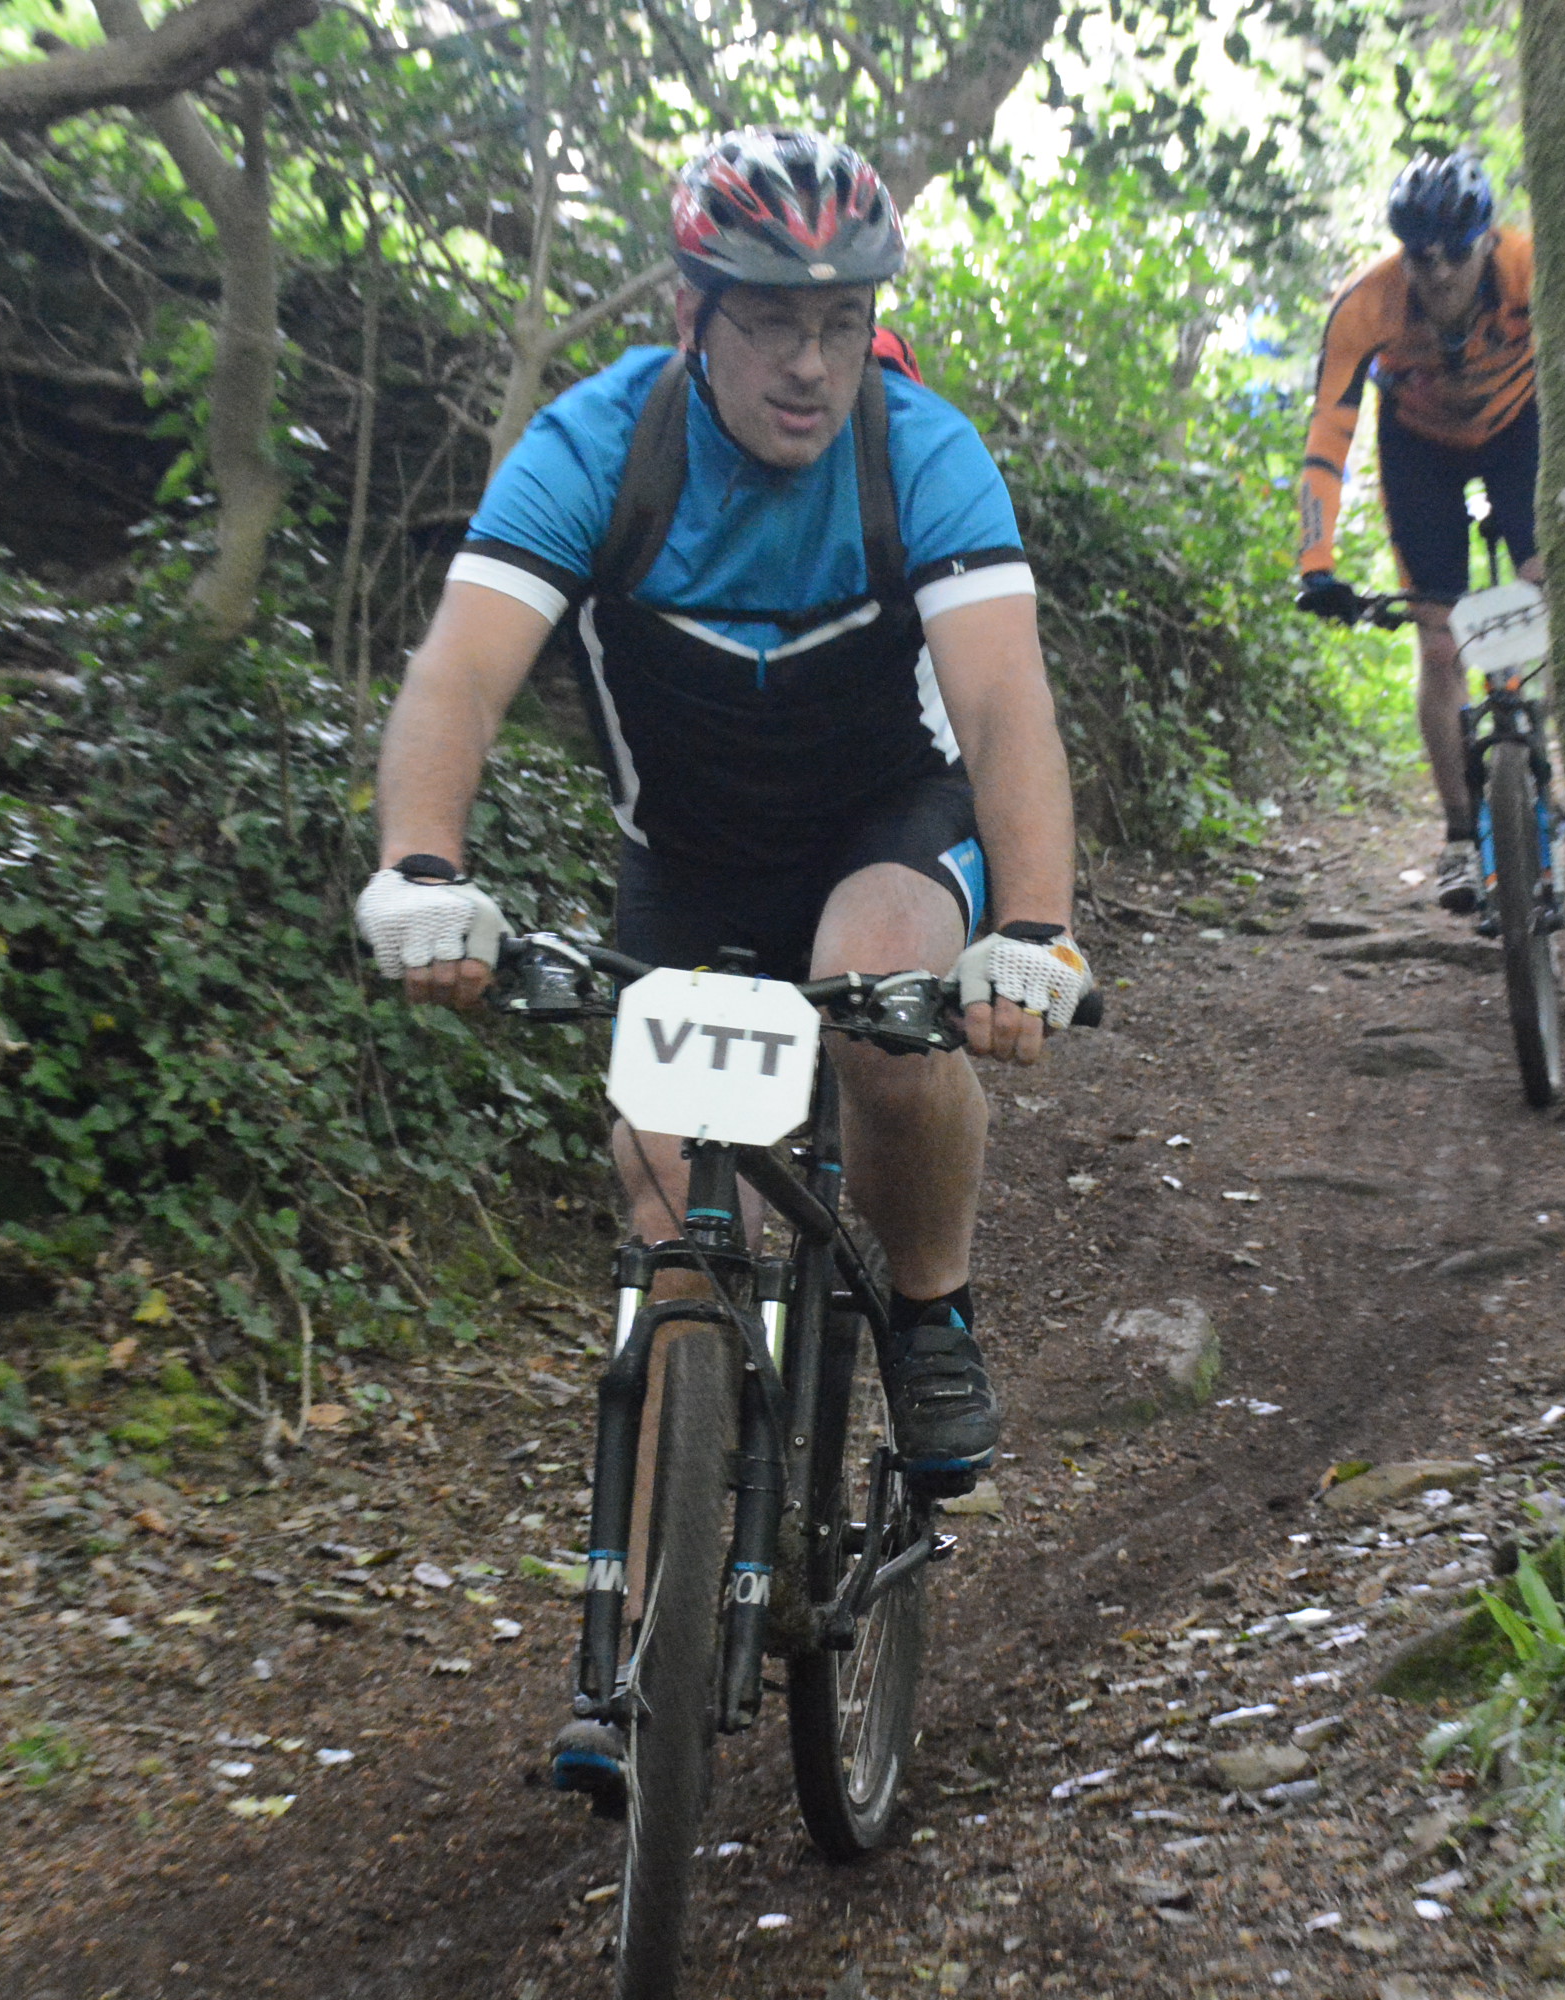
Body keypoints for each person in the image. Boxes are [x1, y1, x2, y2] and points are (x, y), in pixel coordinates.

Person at [352, 124, 1089, 1564]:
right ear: (692, 314)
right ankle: (649, 1640)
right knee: (672, 1232)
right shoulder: (599, 446)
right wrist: (423, 866)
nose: (811, 364)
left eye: (842, 323)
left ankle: (931, 1311)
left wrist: (1034, 926)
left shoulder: (919, 450)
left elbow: (1004, 707)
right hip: (688, 859)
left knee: (882, 1003)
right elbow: (458, 674)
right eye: (770, 324)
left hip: (887, 826)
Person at [1290, 153, 1547, 913]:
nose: (1436, 272)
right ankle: (1461, 835)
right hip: (1420, 449)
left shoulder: (1531, 268)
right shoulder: (1366, 305)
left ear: (1487, 239)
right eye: (1418, 254)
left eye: (1454, 253)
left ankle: (1550, 766)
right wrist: (1316, 563)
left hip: (1521, 429)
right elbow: (1328, 437)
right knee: (1438, 643)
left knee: (1547, 589)